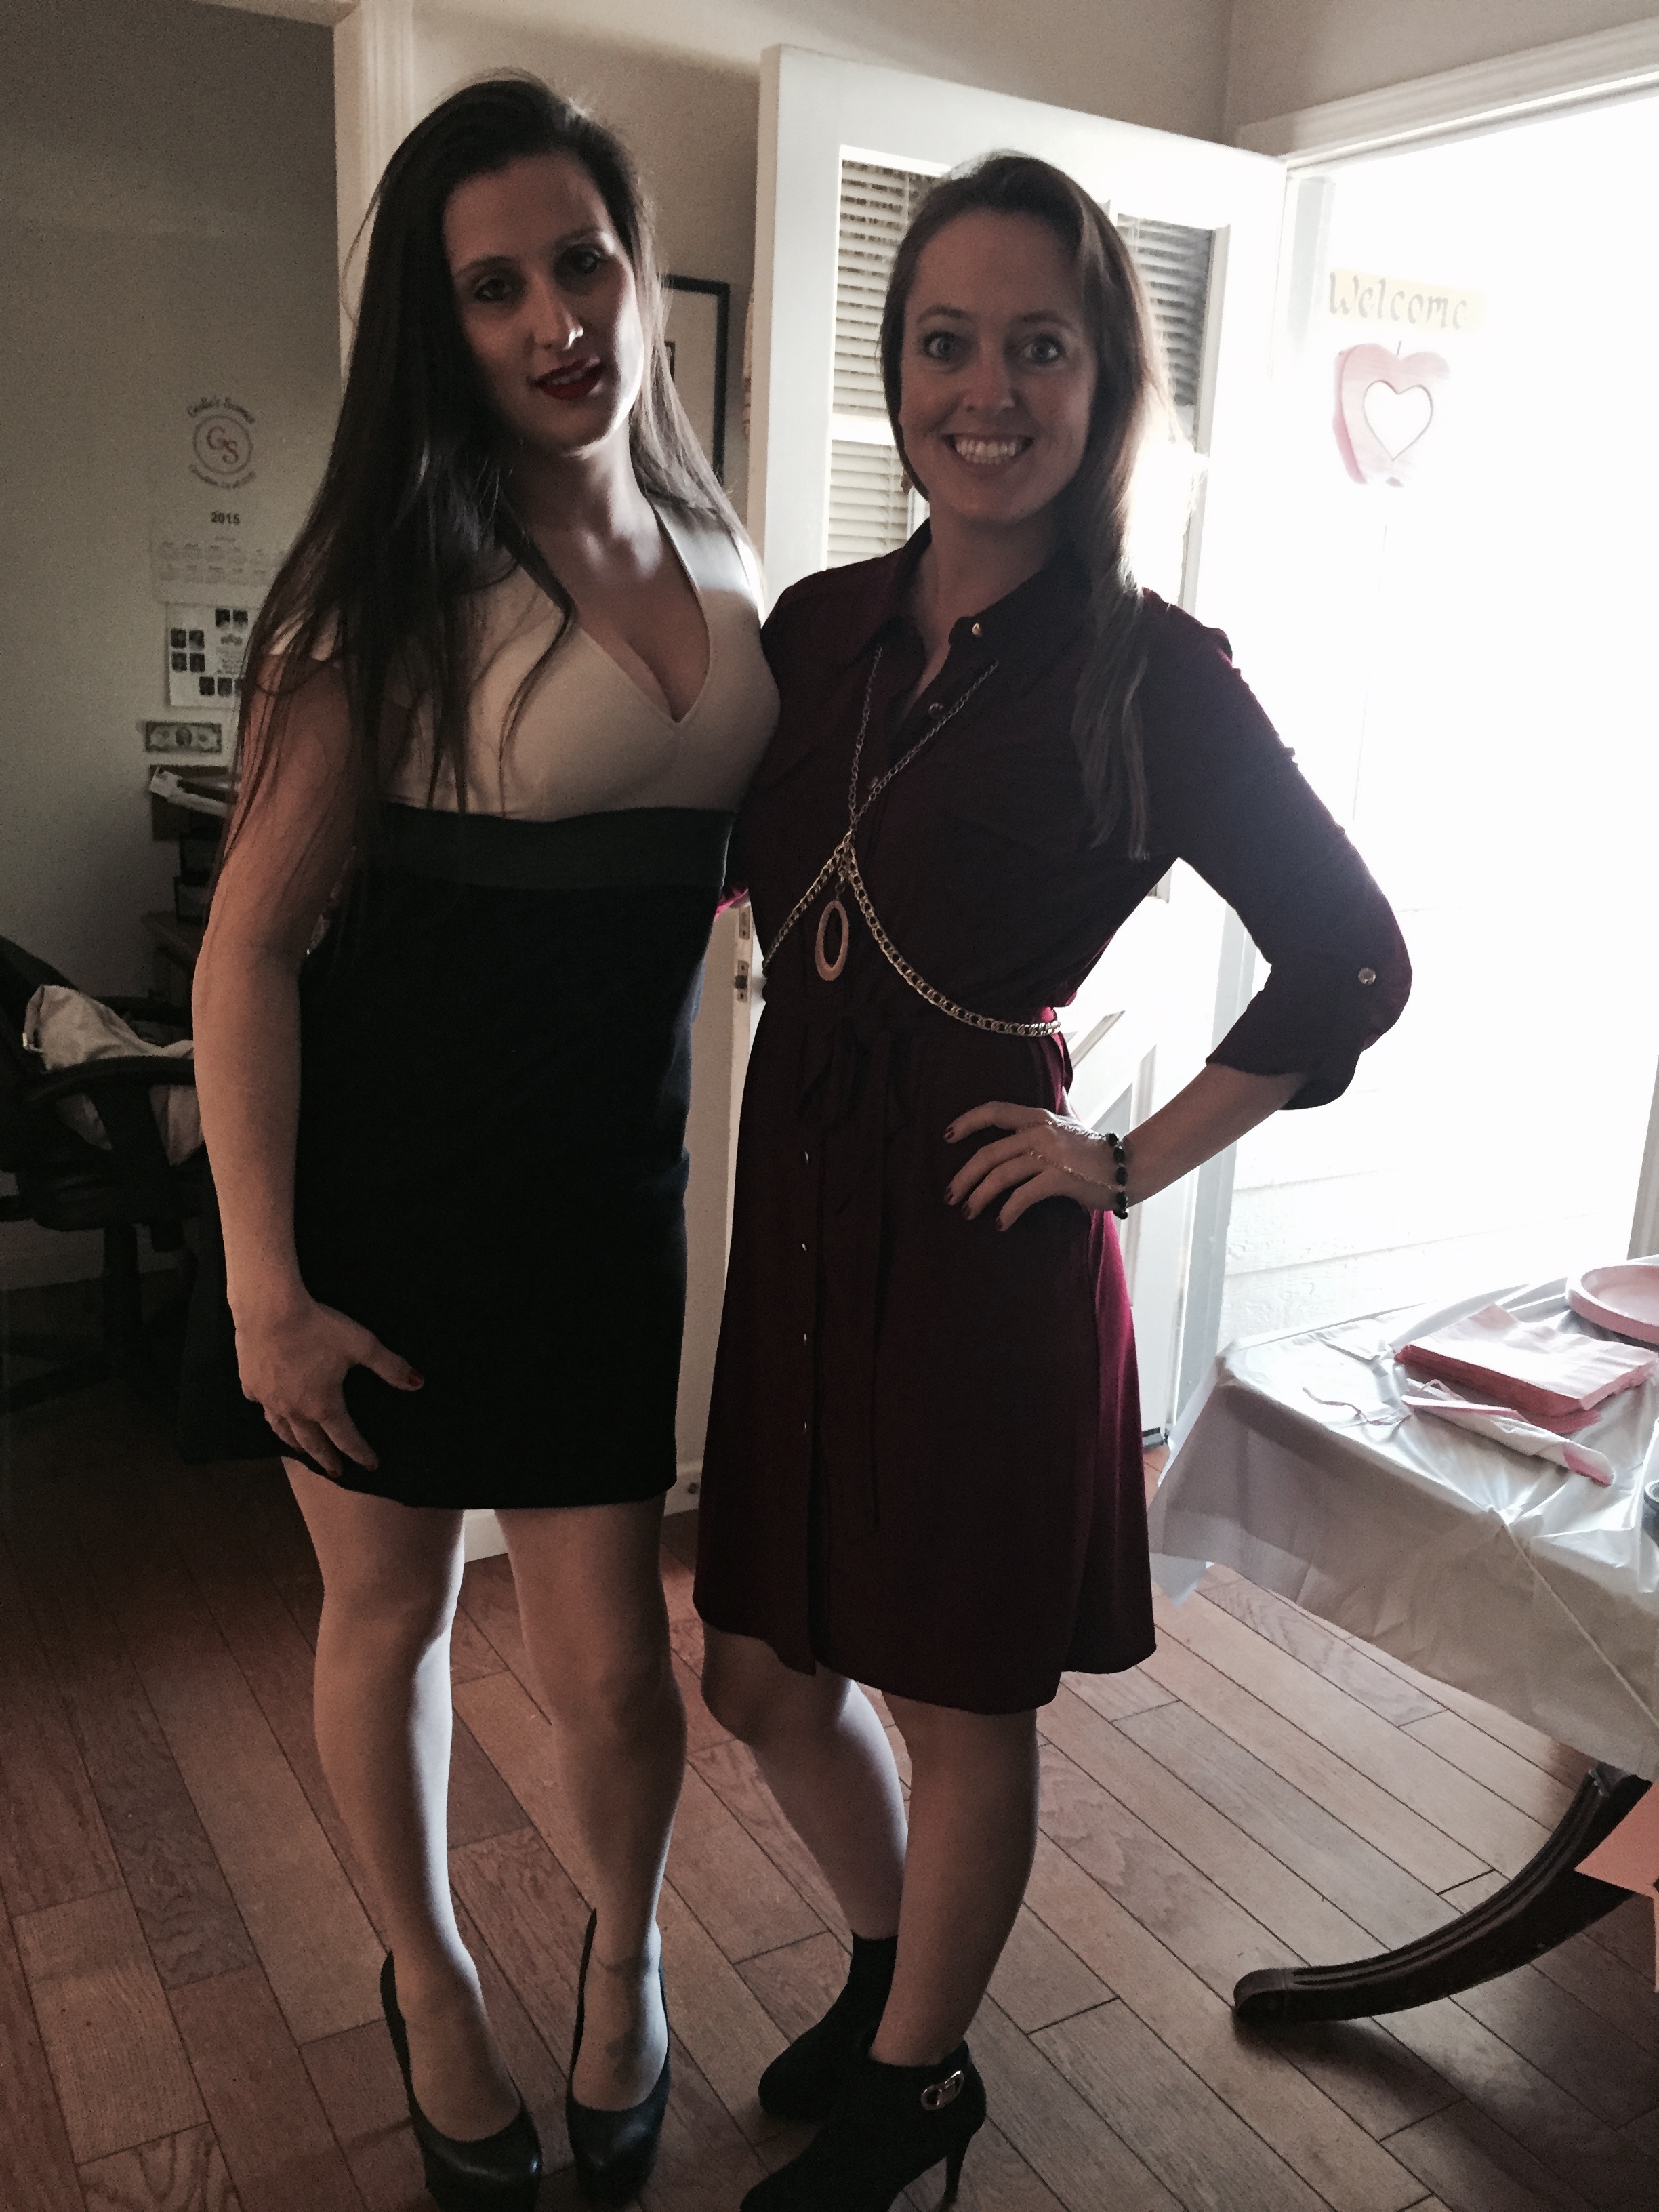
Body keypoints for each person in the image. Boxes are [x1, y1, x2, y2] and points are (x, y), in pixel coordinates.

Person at [693, 152, 1410, 2211]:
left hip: (983, 1232)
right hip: (804, 1211)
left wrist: (1124, 1159)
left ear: (1107, 384)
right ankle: (890, 1967)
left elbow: (1353, 956)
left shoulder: (1154, 673)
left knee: (952, 1689)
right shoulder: (820, 628)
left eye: (1039, 347)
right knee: (758, 1667)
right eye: (946, 343)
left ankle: (918, 2082)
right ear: (897, 368)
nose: (985, 391)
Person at [182, 77, 777, 2212]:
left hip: (611, 1201)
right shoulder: (382, 586)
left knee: (616, 1666)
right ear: (439, 328)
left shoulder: (724, 548)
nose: (557, 319)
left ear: (636, 266)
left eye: (582, 262)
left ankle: (628, 1962)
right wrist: (265, 1289)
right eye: (495, 287)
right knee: (392, 1617)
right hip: (392, 1209)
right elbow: (248, 955)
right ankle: (428, 1983)